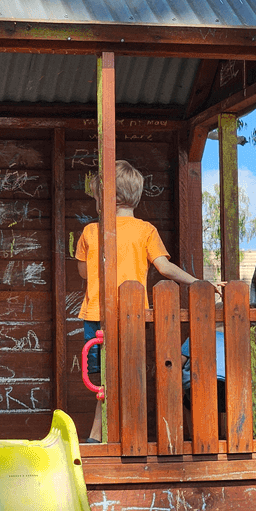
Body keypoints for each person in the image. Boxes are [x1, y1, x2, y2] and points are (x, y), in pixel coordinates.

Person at [76, 159, 220, 442]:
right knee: (125, 375)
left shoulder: (91, 232)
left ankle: (97, 437)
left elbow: (82, 271)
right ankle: (119, 434)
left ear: (109, 198)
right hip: (131, 317)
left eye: (96, 197)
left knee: (104, 380)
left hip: (95, 315)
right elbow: (165, 268)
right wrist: (199, 282)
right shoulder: (145, 231)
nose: (96, 202)